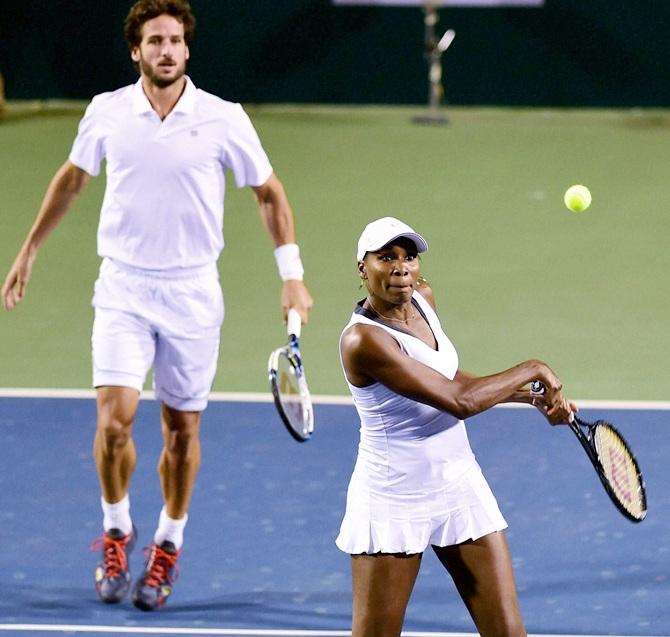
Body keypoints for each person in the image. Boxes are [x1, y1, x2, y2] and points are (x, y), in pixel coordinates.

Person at [1, 0, 313, 612]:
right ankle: (117, 529)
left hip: (194, 292)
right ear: (136, 52)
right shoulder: (107, 112)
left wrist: (292, 276)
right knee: (114, 422)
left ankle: (168, 540)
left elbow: (269, 194)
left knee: (180, 431)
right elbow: (71, 178)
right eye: (154, 41)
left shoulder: (223, 119)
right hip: (123, 287)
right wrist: (29, 249)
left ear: (188, 51)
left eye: (175, 40)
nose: (166, 50)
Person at [337, 216, 575, 637]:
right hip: (394, 500)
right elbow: (458, 402)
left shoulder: (424, 299)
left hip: (458, 486)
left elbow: (448, 379)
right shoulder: (363, 341)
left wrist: (526, 397)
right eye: (385, 257)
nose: (401, 267)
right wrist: (532, 369)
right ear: (362, 267)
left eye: (408, 257)